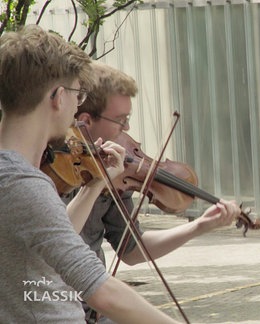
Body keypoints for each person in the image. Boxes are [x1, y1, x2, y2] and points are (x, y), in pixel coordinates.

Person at [0, 24, 179, 323]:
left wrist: (95, 184)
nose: (77, 106)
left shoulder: (14, 177)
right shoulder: (23, 185)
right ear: (58, 97)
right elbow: (101, 290)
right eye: (78, 94)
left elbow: (52, 239)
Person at [59, 61, 242, 322]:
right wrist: (95, 184)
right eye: (121, 121)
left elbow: (132, 250)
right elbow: (58, 239)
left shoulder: (114, 172)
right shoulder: (51, 172)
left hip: (96, 313)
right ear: (85, 121)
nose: (127, 130)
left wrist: (199, 226)